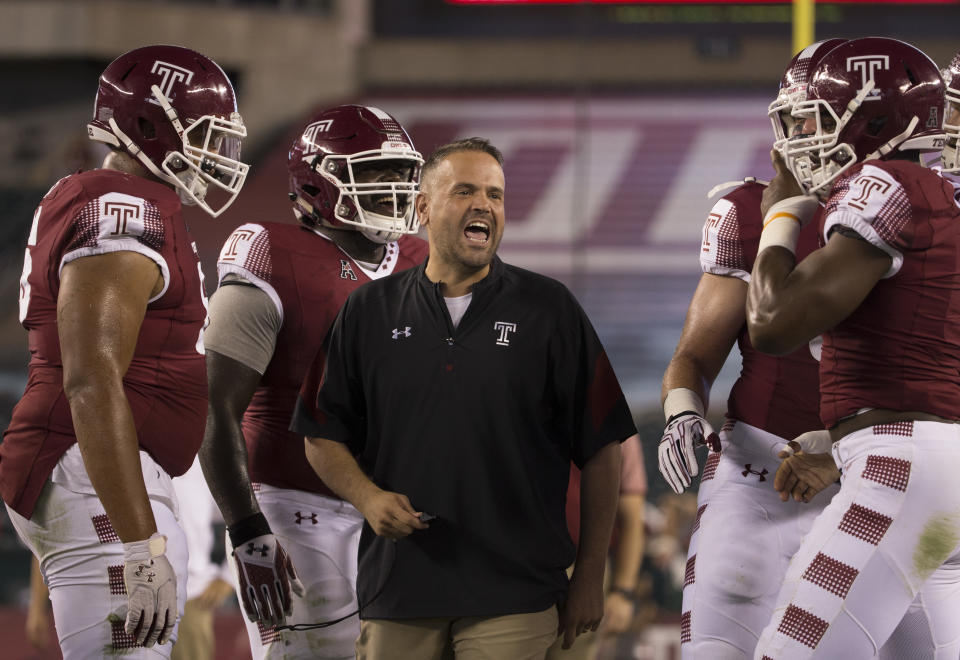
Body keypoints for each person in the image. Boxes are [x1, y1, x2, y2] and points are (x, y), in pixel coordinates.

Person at [292, 137, 636, 659]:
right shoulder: (368, 310)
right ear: (423, 208)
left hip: (516, 593)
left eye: (495, 195)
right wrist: (368, 498)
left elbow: (603, 447)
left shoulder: (549, 308)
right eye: (466, 191)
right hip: (398, 590)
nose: (484, 205)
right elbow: (321, 434)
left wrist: (590, 574)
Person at [0, 44, 248, 657]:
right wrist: (140, 547)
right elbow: (89, 380)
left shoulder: (126, 202)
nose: (216, 155)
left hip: (101, 472)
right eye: (205, 136)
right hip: (93, 474)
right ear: (145, 126)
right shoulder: (124, 213)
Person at [746, 37, 960, 659]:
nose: (798, 138)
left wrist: (781, 216)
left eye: (813, 117)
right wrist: (833, 442)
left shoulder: (893, 185)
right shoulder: (940, 200)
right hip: (936, 467)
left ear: (873, 120)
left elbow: (771, 321)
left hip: (903, 470)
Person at [199, 104, 428, 659]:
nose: (393, 189)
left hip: (398, 508)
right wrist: (248, 531)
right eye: (374, 173)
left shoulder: (425, 260)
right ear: (317, 181)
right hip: (298, 505)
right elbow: (214, 409)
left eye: (400, 175)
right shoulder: (273, 254)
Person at [656, 39, 844, 659]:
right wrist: (683, 409)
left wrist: (847, 448)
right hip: (759, 462)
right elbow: (697, 355)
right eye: (795, 117)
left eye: (819, 115)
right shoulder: (746, 209)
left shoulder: (928, 218)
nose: (800, 134)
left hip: (878, 469)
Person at [545, 433, 647, 660]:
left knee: (572, 650)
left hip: (586, 565)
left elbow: (632, 518)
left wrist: (623, 591)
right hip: (522, 563)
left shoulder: (616, 426)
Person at [170, 458, 235, 660]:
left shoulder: (202, 458)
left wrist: (230, 575)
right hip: (123, 590)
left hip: (189, 595)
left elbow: (244, 514)